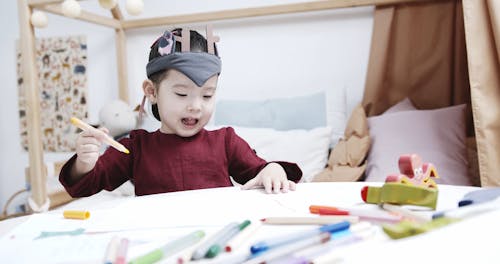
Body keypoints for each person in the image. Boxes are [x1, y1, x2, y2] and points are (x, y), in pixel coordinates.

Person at [59, 26, 302, 197]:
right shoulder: (135, 147)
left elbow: (260, 170)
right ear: (151, 92)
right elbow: (85, 186)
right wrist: (84, 162)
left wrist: (273, 169)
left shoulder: (226, 141)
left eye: (207, 95)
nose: (196, 105)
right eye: (182, 94)